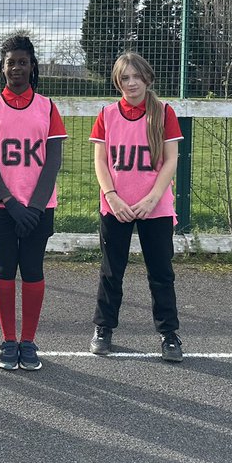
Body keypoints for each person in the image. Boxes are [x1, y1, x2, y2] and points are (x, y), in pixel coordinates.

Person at [0, 34, 65, 371]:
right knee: (4, 269)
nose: (17, 68)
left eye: (22, 62)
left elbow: (53, 160)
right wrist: (10, 202)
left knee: (32, 270)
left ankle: (28, 341)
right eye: (11, 62)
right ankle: (8, 340)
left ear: (32, 66)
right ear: (3, 67)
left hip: (38, 208)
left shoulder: (48, 107)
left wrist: (35, 208)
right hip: (1, 207)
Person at [89, 51, 185, 362]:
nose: (131, 83)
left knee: (160, 272)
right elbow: (101, 162)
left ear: (147, 77)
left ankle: (169, 334)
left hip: (153, 207)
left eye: (136, 76)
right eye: (124, 78)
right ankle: (103, 328)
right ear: (117, 83)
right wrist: (112, 196)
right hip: (116, 206)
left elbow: (171, 160)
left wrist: (153, 198)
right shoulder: (107, 115)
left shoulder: (164, 112)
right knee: (111, 271)